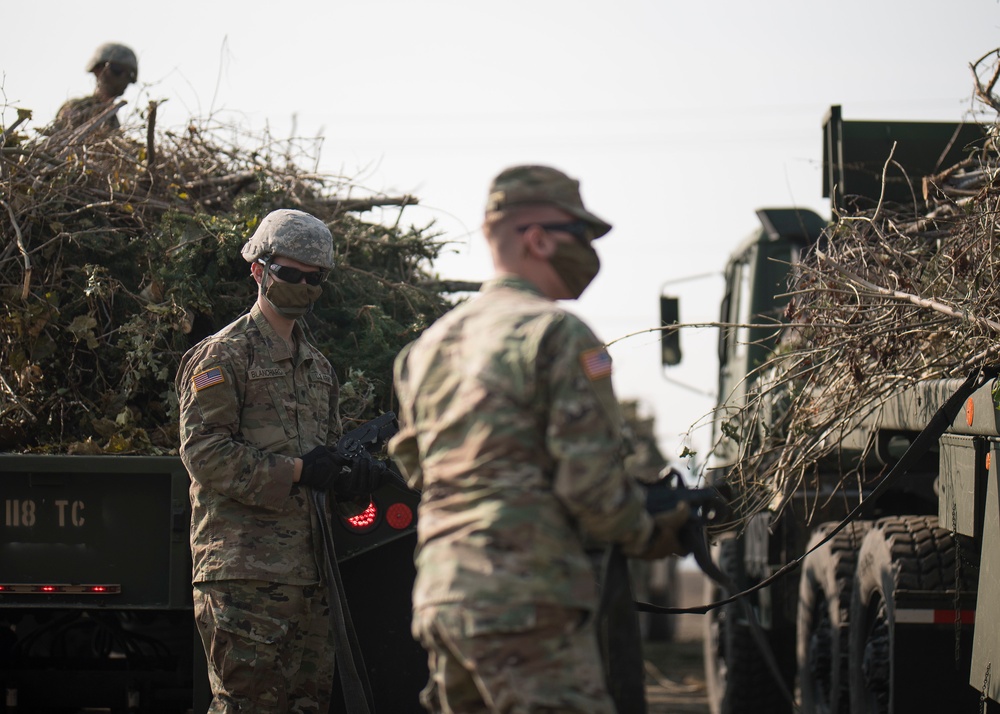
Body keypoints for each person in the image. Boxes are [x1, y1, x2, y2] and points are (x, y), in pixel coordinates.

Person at [388, 165, 692, 714]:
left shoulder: (426, 349)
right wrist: (654, 532)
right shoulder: (557, 334)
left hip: (443, 595)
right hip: (527, 598)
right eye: (582, 235)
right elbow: (591, 487)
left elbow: (419, 470)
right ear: (538, 238)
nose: (590, 251)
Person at [176, 208, 383, 713]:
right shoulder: (223, 356)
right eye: (291, 274)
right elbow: (204, 451)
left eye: (316, 279)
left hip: (312, 574)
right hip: (244, 570)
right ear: (259, 271)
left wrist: (350, 478)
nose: (304, 286)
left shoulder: (318, 367)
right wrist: (294, 471)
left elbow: (325, 456)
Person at [51, 42, 138, 133]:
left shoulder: (114, 121)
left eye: (129, 74)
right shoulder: (78, 107)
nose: (123, 77)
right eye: (117, 70)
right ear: (97, 69)